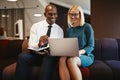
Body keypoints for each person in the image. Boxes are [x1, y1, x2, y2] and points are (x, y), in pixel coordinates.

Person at [15, 4, 64, 80]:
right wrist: (39, 43)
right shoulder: (36, 26)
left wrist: (52, 51)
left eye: (55, 14)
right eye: (50, 14)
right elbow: (30, 45)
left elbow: (59, 48)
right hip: (36, 55)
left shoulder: (60, 31)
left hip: (49, 57)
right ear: (45, 14)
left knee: (49, 57)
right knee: (22, 57)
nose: (53, 16)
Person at [59, 5, 94, 80]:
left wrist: (79, 52)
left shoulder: (87, 27)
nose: (72, 16)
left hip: (85, 55)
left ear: (80, 14)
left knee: (71, 61)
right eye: (71, 14)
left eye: (75, 14)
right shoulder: (69, 30)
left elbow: (91, 46)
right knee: (61, 59)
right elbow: (68, 45)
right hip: (72, 54)